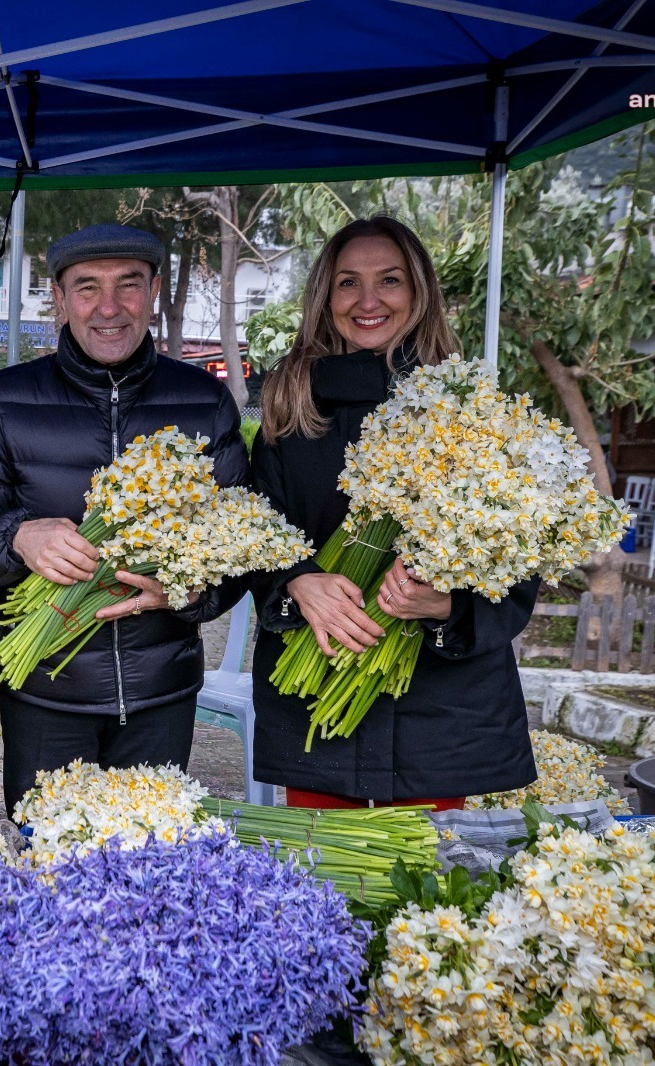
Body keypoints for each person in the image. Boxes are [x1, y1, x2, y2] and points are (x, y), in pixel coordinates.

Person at [0, 223, 250, 817]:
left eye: (128, 285)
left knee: (150, 858)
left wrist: (190, 591)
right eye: (87, 288)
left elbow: (242, 547)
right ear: (59, 299)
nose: (109, 307)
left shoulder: (205, 401)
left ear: (154, 291)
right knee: (46, 855)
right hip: (43, 691)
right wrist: (17, 537)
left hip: (163, 693)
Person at [249, 216, 537, 809]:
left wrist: (448, 606)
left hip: (442, 719)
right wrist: (297, 581)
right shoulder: (289, 406)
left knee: (430, 871)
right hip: (319, 698)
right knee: (323, 865)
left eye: (390, 280)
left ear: (419, 292)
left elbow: (519, 571)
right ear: (325, 297)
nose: (368, 301)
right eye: (348, 283)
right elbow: (255, 532)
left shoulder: (473, 409)